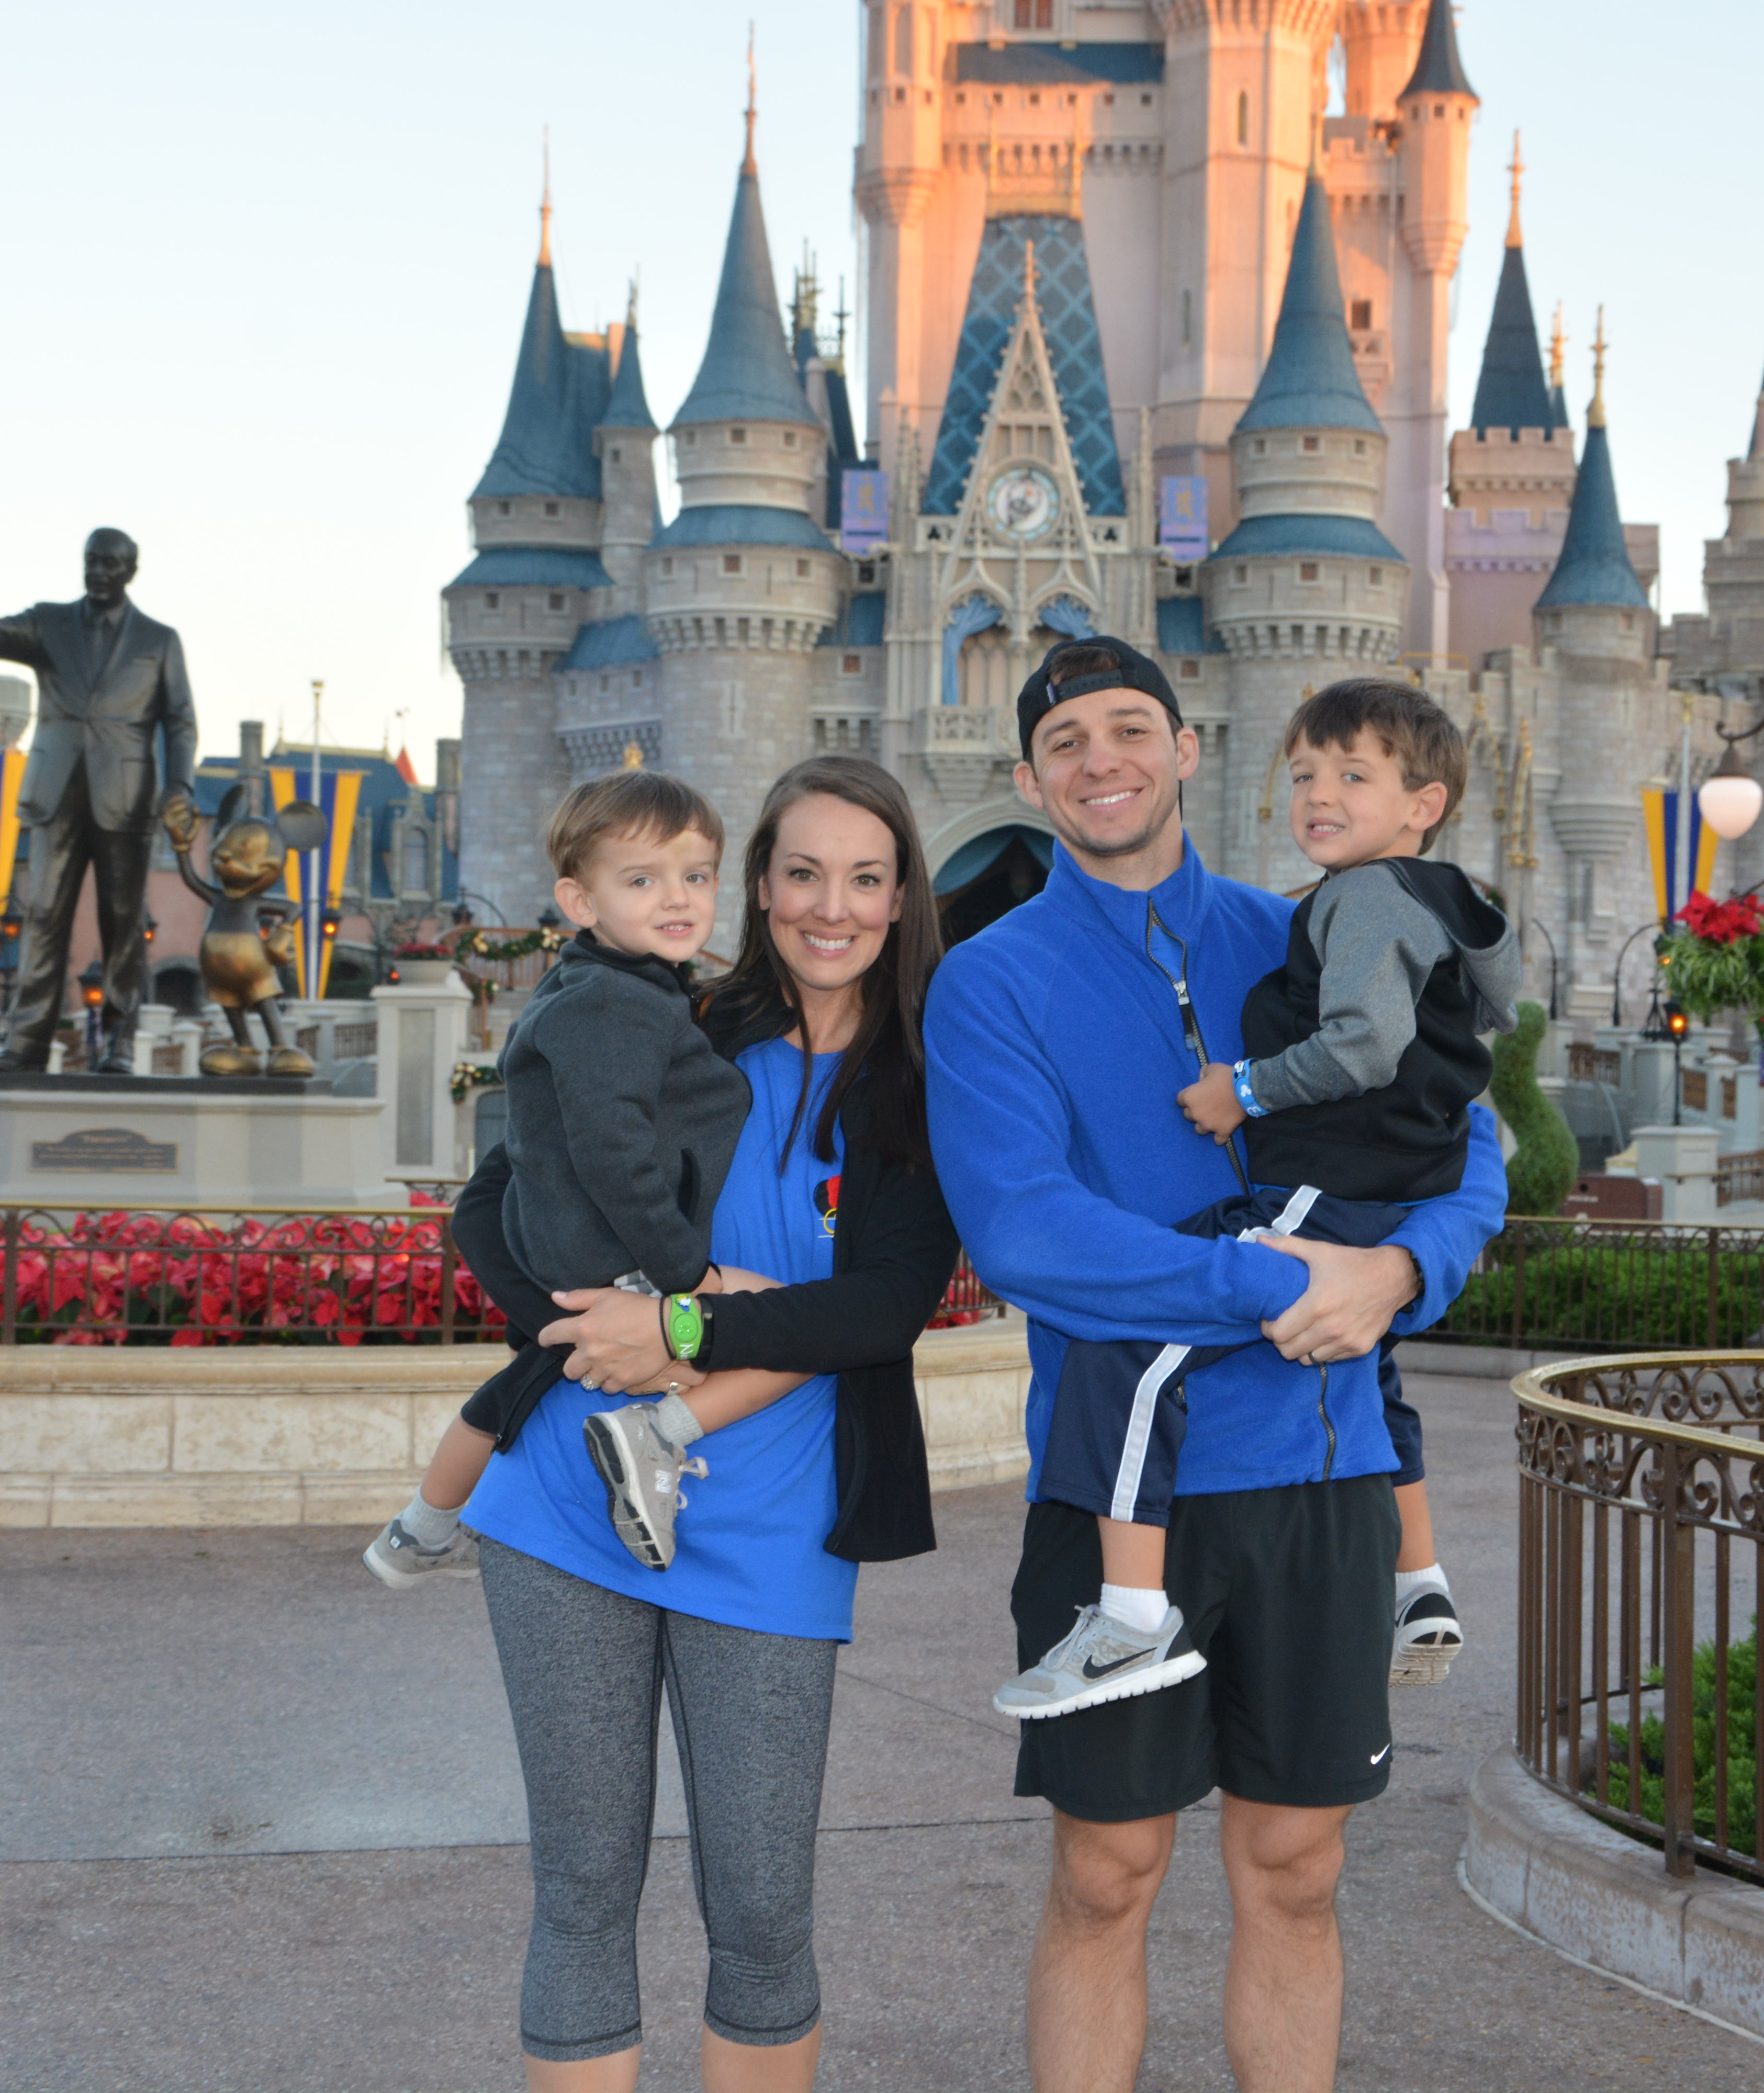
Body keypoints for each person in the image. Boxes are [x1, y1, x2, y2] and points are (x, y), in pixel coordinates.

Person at [925, 637, 1507, 2093]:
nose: (1102, 761)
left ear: (1191, 750)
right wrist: (1264, 1282)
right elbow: (1024, 1231)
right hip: (1126, 1485)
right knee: (1110, 1872)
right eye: (1068, 742)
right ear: (1028, 778)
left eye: (1134, 730)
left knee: (1298, 1865)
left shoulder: (1305, 927)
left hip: (1320, 1474)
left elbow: (1462, 1135)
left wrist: (1399, 1272)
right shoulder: (989, 981)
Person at [447, 756, 960, 2091]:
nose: (830, 907)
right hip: (567, 1505)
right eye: (800, 873)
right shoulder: (665, 1026)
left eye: (863, 877)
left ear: (903, 895)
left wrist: (683, 1329)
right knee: (580, 1891)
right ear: (760, 886)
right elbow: (489, 1194)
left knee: (764, 1914)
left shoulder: (926, 1086)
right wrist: (558, 1328)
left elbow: (882, 1309)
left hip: (775, 1531)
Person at [999, 678, 1519, 1718]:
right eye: (1305, 774)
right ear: (1028, 777)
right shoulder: (1435, 901)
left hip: (1330, 1193)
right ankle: (1420, 1582)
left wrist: (1241, 1090)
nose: (1319, 794)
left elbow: (1378, 1053)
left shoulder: (1357, 900)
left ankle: (1130, 1619)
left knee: (1125, 1350)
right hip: (1371, 1199)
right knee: (1376, 1362)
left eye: (1351, 775)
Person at [363, 770, 780, 1586]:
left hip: (571, 1250)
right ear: (580, 902)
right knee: (782, 1326)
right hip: (612, 1257)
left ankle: (422, 1530)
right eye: (642, 880)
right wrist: (684, 1275)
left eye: (695, 877)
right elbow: (612, 1153)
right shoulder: (612, 1006)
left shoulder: (617, 987)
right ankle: (654, 1439)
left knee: (530, 1374)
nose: (679, 898)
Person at [0, 529, 197, 1072]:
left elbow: (180, 721)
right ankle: (26, 1046)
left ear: (130, 572)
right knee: (43, 914)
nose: (98, 572)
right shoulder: (50, 621)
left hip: (127, 795)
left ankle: (116, 1044)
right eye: (91, 561)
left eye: (110, 564)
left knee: (122, 921)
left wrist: (180, 786)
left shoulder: (160, 640)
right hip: (55, 792)